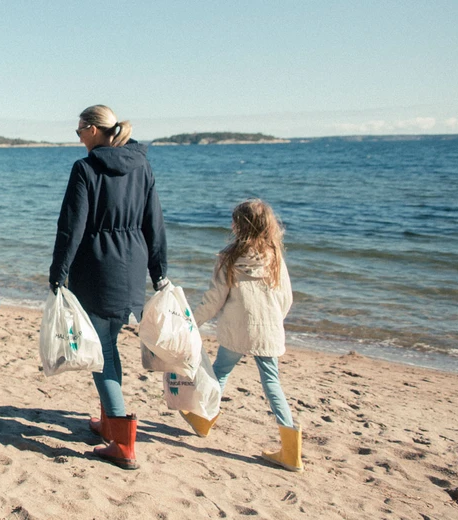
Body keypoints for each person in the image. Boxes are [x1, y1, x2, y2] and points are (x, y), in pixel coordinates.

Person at [49, 105, 167, 470]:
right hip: (131, 267)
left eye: (80, 129)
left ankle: (123, 443)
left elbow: (72, 226)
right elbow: (154, 223)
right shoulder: (141, 165)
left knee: (102, 353)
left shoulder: (85, 168)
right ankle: (106, 422)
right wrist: (159, 271)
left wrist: (58, 272)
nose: (78, 135)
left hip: (97, 268)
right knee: (109, 343)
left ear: (95, 130)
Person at [188, 199, 300, 472]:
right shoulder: (275, 257)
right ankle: (291, 451)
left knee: (220, 372)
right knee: (271, 382)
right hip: (267, 330)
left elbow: (214, 300)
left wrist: (192, 323)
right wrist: (274, 322)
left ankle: (204, 419)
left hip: (237, 328)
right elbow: (286, 298)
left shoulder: (229, 258)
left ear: (238, 226)